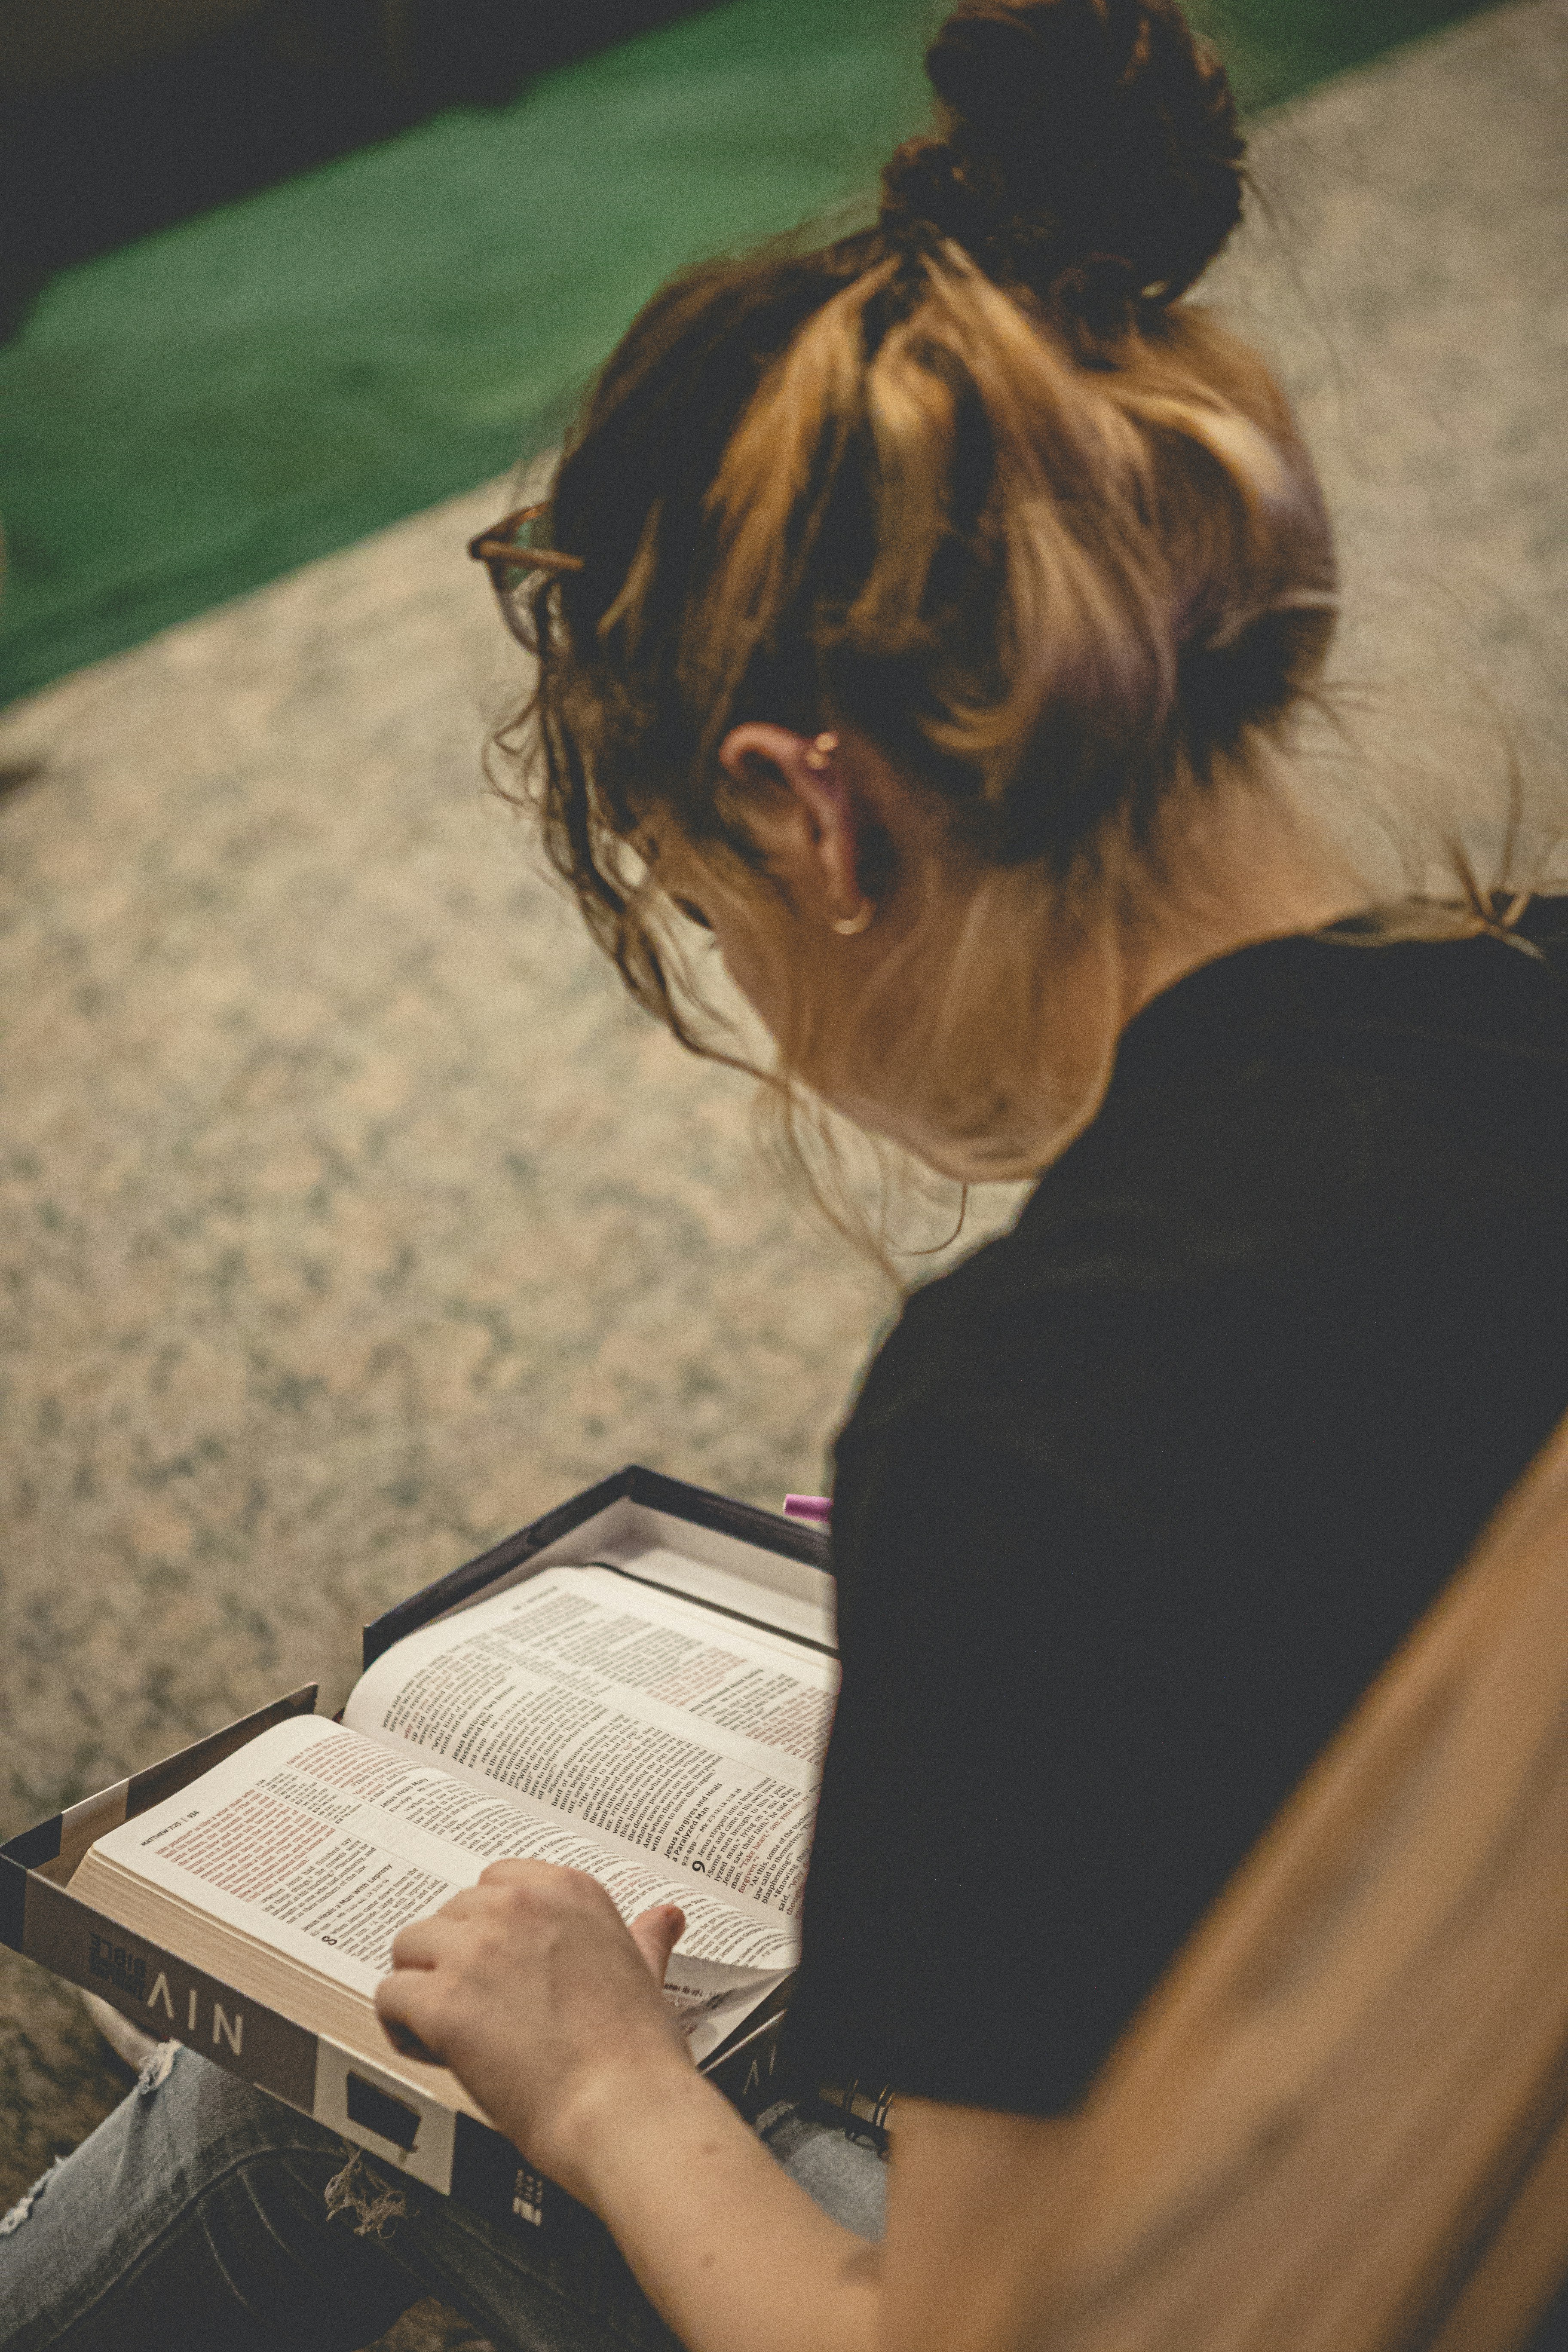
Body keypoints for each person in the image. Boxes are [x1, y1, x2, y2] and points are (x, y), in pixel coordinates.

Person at [6, 3, 1567, 2347]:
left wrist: (611, 2087)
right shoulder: (1530, 994)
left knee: (358, 2066)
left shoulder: (1035, 1419)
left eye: (717, 923)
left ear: (812, 813)